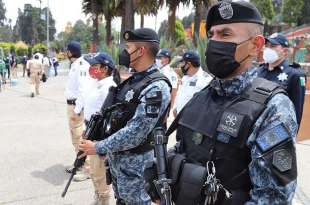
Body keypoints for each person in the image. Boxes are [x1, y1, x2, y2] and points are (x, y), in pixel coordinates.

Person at [152, 1, 297, 205]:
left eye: (225, 35)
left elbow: (273, 198)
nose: (214, 42)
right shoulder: (202, 96)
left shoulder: (272, 108)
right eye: (212, 35)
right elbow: (185, 148)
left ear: (255, 45)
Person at [78, 28, 171, 205]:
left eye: (128, 47)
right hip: (119, 164)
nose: (124, 52)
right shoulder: (134, 81)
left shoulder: (156, 87)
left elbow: (135, 133)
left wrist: (98, 146)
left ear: (141, 51)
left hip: (136, 167)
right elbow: (116, 117)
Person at [84, 52, 119, 205]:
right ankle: (98, 197)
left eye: (94, 66)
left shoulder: (109, 88)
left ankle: (103, 200)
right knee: (93, 171)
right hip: (91, 132)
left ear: (105, 68)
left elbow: (110, 119)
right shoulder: (97, 84)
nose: (91, 69)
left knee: (100, 175)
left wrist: (103, 146)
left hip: (100, 137)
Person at [257, 33, 306, 126]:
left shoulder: (296, 75)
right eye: (266, 46)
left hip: (275, 128)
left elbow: (297, 111)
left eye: (273, 46)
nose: (267, 49)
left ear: (285, 51)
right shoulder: (259, 70)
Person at [65, 41, 92, 181]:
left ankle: (87, 168)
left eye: (67, 50)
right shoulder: (75, 64)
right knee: (74, 137)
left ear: (71, 52)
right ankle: (79, 164)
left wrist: (77, 109)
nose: (66, 52)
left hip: (76, 106)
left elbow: (83, 89)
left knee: (79, 137)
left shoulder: (81, 66)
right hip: (72, 106)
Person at [173, 50, 212, 116]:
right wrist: (176, 109)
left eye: (182, 62)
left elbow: (209, 105)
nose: (180, 66)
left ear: (188, 64)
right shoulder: (185, 77)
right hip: (179, 118)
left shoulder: (206, 80)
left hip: (192, 121)